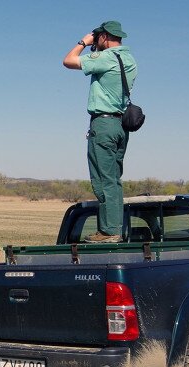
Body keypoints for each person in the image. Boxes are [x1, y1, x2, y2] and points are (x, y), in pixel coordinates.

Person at [63, 20, 138, 243]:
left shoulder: (106, 58)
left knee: (103, 179)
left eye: (98, 37)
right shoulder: (130, 59)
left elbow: (68, 61)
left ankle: (108, 231)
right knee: (114, 179)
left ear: (105, 36)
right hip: (121, 126)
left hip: (103, 124)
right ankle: (114, 227)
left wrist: (83, 42)